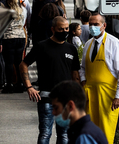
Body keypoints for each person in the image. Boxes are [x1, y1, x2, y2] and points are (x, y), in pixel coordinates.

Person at [20, 16, 80, 144]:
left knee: (64, 135)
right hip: (46, 97)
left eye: (66, 28)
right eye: (61, 29)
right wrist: (29, 87)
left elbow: (75, 74)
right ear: (53, 29)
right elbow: (23, 65)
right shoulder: (42, 46)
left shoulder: (71, 49)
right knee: (45, 133)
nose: (64, 31)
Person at [80, 14, 119, 144]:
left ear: (104, 25)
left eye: (96, 24)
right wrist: (83, 81)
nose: (92, 27)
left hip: (107, 98)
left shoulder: (114, 44)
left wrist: (118, 96)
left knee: (106, 132)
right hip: (90, 96)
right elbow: (83, 67)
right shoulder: (88, 44)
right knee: (89, 133)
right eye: (91, 24)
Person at [2, 0, 27, 94]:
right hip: (20, 36)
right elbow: (24, 22)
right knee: (18, 62)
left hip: (9, 37)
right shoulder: (22, 10)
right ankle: (20, 84)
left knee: (8, 62)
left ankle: (9, 84)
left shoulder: (5, 11)